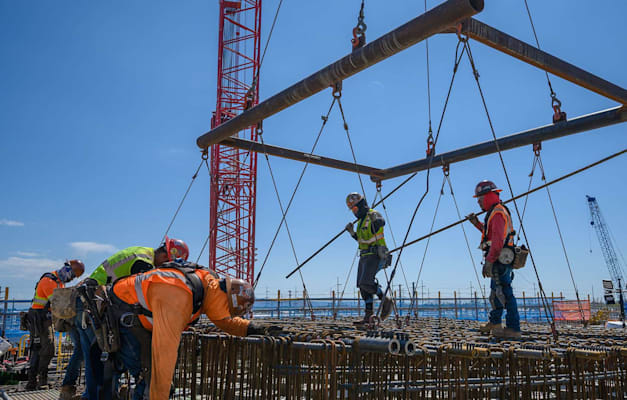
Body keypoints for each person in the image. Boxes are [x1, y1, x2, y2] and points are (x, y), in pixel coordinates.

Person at [109, 261, 266, 400]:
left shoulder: (209, 286)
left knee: (132, 377)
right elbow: (164, 356)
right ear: (226, 301)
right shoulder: (179, 296)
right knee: (148, 380)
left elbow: (223, 319)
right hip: (121, 314)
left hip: (134, 315)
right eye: (228, 311)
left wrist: (251, 329)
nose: (228, 316)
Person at [77, 237, 189, 399]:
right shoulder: (143, 263)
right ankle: (95, 396)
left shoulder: (142, 252)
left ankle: (95, 395)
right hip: (94, 303)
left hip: (91, 300)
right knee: (104, 355)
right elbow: (142, 298)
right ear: (165, 257)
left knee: (102, 356)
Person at [467, 180, 521, 338]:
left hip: (499, 258)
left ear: (488, 196)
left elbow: (497, 241)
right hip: (497, 257)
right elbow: (490, 234)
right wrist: (476, 223)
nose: (478, 202)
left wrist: (489, 262)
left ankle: (513, 328)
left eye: (480, 198)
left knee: (505, 293)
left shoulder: (497, 212)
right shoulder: (494, 212)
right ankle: (495, 322)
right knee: (495, 293)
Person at [25, 260, 85, 390]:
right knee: (45, 349)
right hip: (39, 318)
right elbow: (58, 304)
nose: (71, 279)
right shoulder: (49, 281)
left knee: (39, 348)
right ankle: (38, 381)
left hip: (44, 317)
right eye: (72, 275)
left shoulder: (58, 283)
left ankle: (35, 381)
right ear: (67, 269)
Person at [344, 192, 393, 324]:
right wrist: (352, 232)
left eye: (355, 208)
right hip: (365, 255)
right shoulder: (360, 222)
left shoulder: (372, 213)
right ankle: (368, 316)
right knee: (361, 286)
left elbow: (381, 223)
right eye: (352, 210)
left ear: (361, 205)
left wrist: (375, 219)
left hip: (376, 254)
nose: (354, 212)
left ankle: (385, 300)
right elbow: (362, 240)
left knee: (366, 282)